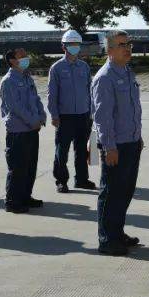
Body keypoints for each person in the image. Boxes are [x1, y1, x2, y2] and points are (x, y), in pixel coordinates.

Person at [92, 30, 144, 256]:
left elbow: (132, 110)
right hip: (116, 146)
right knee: (111, 192)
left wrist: (138, 136)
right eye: (122, 44)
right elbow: (102, 117)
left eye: (129, 44)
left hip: (131, 142)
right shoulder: (104, 78)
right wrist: (109, 147)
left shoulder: (127, 72)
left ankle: (117, 232)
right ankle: (106, 239)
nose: (127, 48)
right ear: (109, 50)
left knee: (125, 191)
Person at [48, 29, 96, 193]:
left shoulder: (84, 67)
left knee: (82, 150)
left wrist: (92, 113)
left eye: (77, 44)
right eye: (70, 44)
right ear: (64, 46)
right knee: (62, 151)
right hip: (64, 116)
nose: (74, 47)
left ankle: (82, 179)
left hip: (83, 115)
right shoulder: (56, 68)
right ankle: (61, 181)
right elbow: (52, 94)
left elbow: (90, 92)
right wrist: (54, 115)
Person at [0, 48, 46, 213]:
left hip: (32, 129)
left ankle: (25, 196)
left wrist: (41, 116)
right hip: (18, 130)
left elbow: (36, 99)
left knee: (30, 166)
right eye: (22, 56)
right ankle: (12, 201)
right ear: (12, 60)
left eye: (27, 55)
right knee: (18, 167)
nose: (26, 58)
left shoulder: (27, 78)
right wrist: (33, 121)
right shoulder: (8, 81)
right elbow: (15, 107)